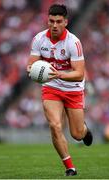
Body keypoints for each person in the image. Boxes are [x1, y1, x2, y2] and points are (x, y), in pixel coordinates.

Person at [27, 4, 93, 176]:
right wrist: (31, 70)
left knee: (77, 134)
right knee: (55, 125)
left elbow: (79, 74)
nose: (54, 25)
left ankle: (84, 130)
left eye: (58, 21)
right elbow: (31, 64)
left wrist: (59, 75)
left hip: (73, 88)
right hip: (51, 87)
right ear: (47, 20)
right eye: (51, 21)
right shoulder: (39, 39)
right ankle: (70, 167)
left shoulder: (74, 42)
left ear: (65, 22)